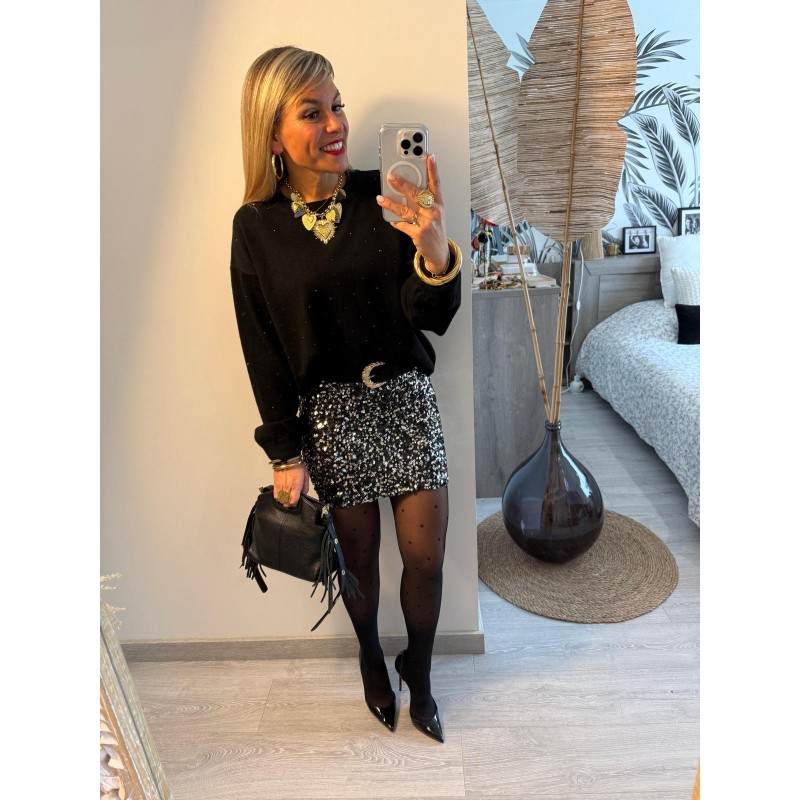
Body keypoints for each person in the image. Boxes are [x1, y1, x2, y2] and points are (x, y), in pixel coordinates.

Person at [230, 46, 462, 744]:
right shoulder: (256, 227)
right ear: (273, 134)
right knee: (357, 563)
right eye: (312, 112)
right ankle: (369, 658)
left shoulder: (384, 196)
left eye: (337, 105)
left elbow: (432, 317)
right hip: (331, 415)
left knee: (426, 561)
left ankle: (419, 672)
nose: (335, 123)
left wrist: (434, 249)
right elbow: (263, 347)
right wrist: (284, 451)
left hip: (406, 400)